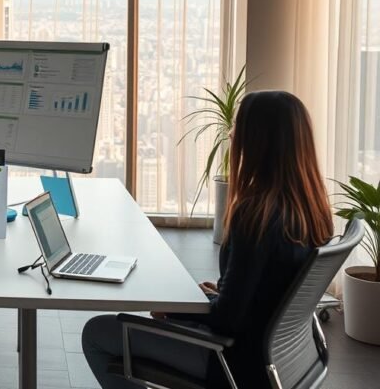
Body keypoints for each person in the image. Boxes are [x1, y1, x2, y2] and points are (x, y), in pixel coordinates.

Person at [82, 91, 335, 388]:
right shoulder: (310, 210)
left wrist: (175, 308)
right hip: (283, 361)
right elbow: (270, 289)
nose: (231, 132)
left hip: (233, 360)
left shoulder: (255, 215)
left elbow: (227, 319)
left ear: (257, 141)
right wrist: (218, 295)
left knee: (97, 333)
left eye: (238, 126)